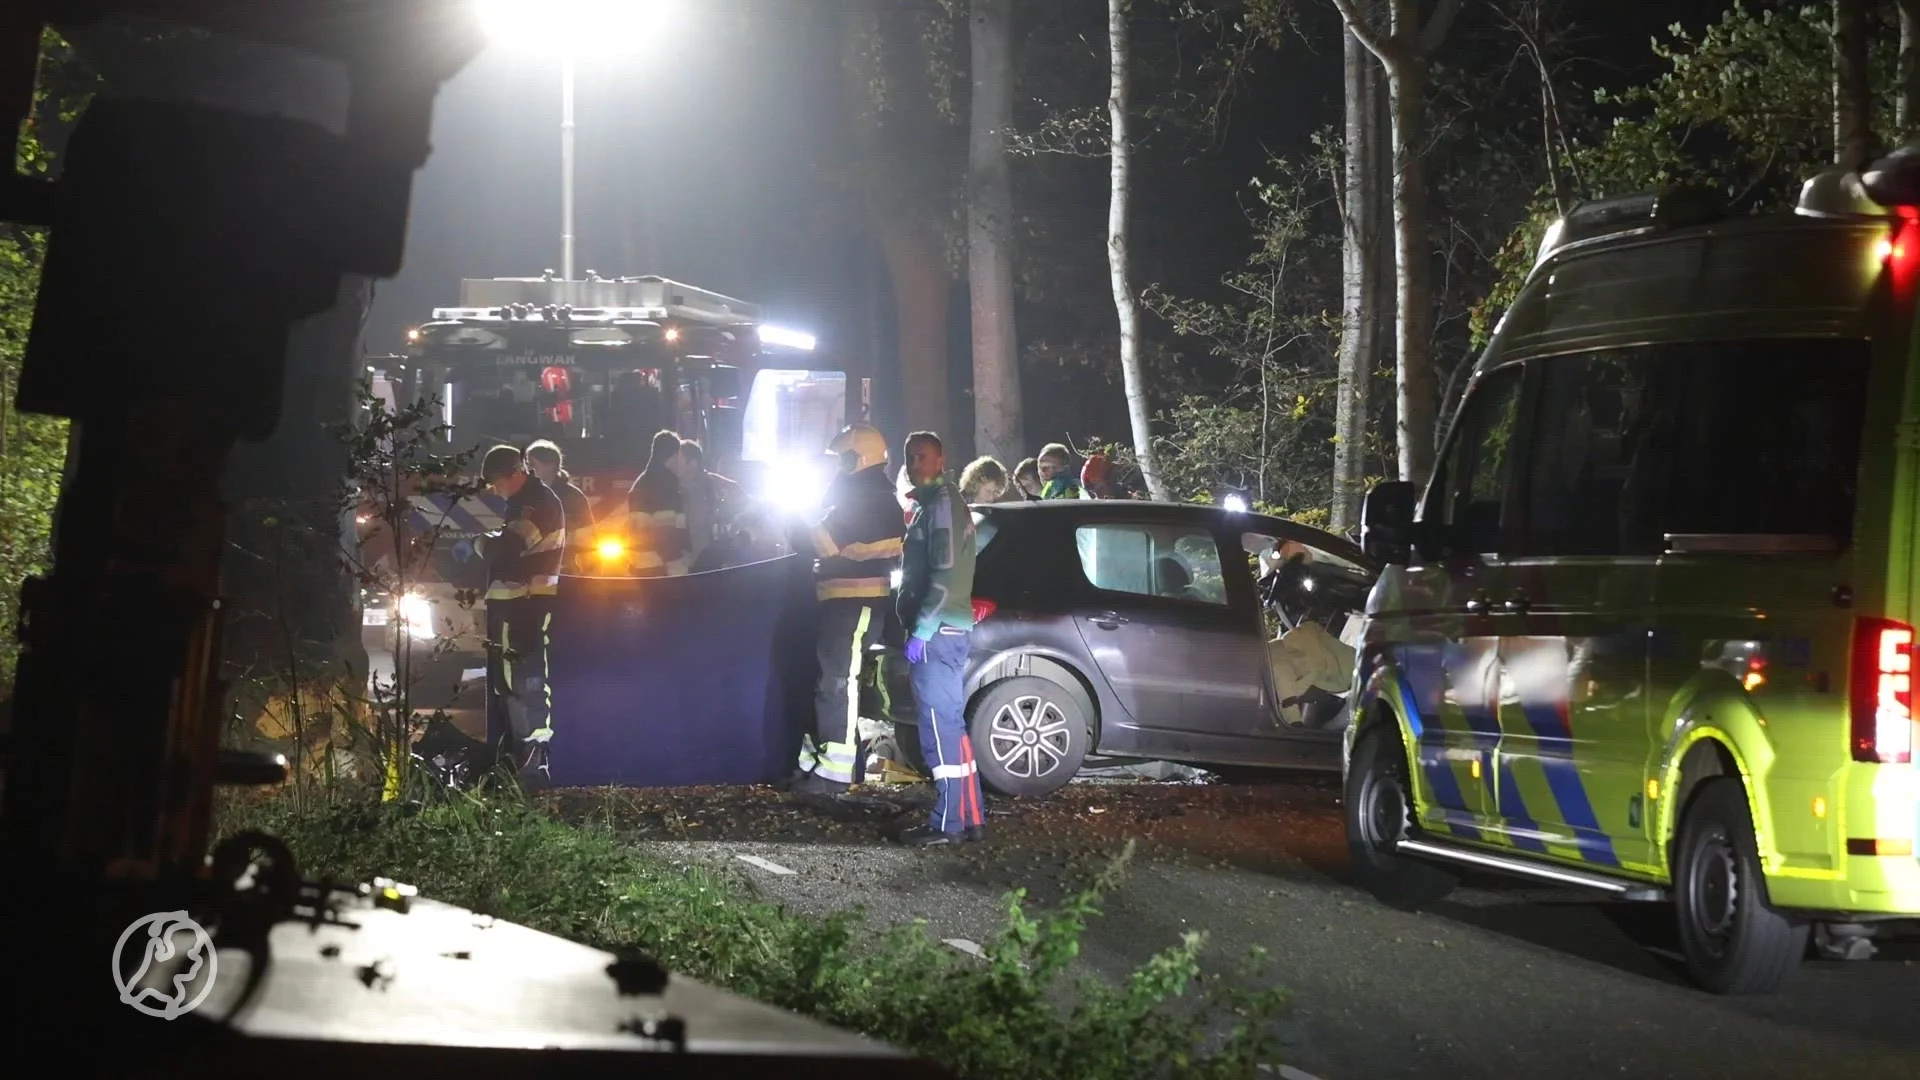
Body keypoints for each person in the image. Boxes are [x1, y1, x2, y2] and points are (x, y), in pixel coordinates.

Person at [791, 424, 905, 795]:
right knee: (829, 683)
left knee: (838, 684)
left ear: (859, 459)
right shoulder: (862, 496)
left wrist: (805, 513)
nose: (837, 467)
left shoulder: (873, 501)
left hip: (856, 606)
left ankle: (835, 775)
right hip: (843, 605)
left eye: (841, 459)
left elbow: (824, 543)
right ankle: (824, 764)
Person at [895, 431, 987, 845]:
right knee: (951, 726)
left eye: (923, 456)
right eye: (910, 457)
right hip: (949, 630)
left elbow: (945, 575)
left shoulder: (942, 505)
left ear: (940, 460)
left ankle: (946, 824)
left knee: (938, 731)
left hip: (937, 633)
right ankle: (971, 815)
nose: (915, 464)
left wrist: (921, 630)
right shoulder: (938, 503)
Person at [471, 445, 566, 788]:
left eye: (498, 483)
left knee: (524, 684)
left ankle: (532, 767)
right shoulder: (523, 501)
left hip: (524, 606)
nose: (496, 491)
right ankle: (522, 762)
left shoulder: (536, 504)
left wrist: (482, 543)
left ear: (515, 474)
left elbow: (507, 550)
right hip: (517, 606)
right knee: (512, 685)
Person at [625, 430, 692, 577]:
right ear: (674, 455)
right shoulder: (668, 483)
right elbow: (666, 533)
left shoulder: (640, 483)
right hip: (662, 568)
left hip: (641, 564)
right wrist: (679, 568)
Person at [525, 439, 595, 573]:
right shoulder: (525, 495)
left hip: (564, 568)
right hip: (531, 568)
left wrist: (588, 570)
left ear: (551, 465)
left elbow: (587, 537)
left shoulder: (573, 496)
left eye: (532, 464)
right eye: (527, 464)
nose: (528, 470)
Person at [676, 438, 740, 572]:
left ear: (693, 463)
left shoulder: (720, 485)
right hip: (682, 565)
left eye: (678, 461)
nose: (673, 465)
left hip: (714, 563)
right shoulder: (672, 490)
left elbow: (752, 510)